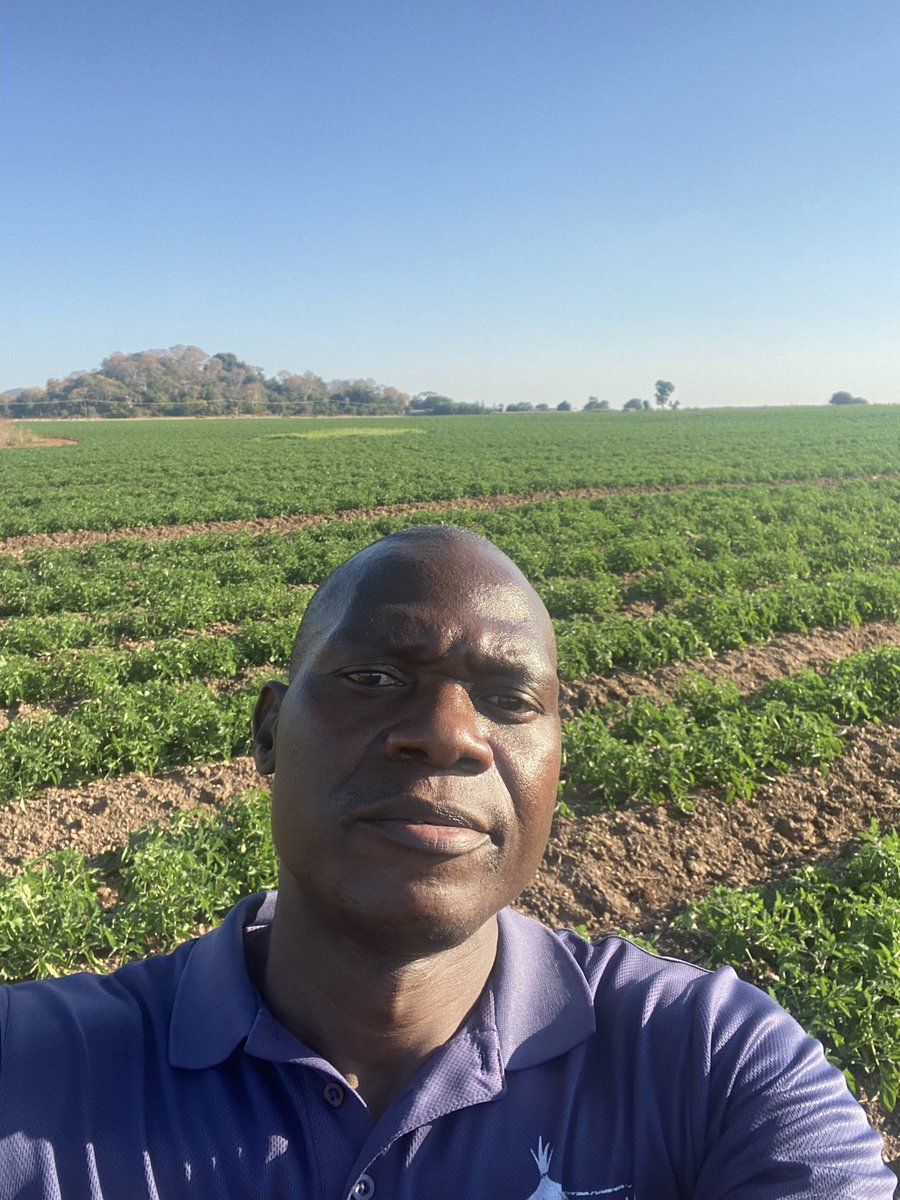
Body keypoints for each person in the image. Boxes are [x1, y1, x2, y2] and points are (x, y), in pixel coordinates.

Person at [0, 525, 894, 1199]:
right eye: (375, 679)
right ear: (269, 732)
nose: (449, 735)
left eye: (508, 698)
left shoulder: (714, 1063)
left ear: (555, 765)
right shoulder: (34, 1074)